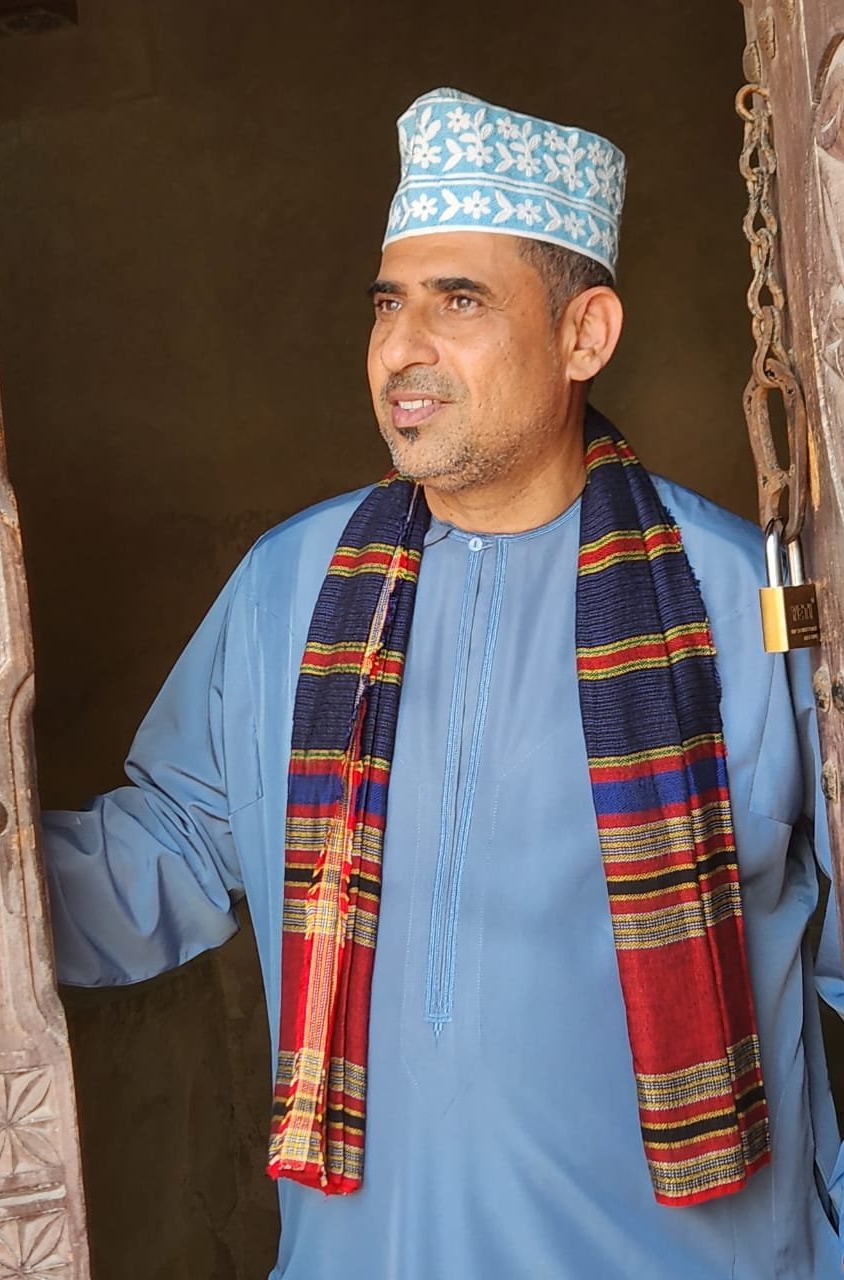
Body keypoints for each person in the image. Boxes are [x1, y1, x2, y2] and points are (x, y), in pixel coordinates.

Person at [41, 88, 844, 1278]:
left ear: (584, 335)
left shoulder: (746, 600)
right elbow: (167, 851)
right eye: (389, 303)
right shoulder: (289, 588)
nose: (401, 349)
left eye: (458, 301)